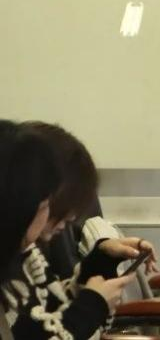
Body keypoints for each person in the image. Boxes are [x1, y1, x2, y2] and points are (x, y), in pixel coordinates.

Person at [1, 122, 137, 340]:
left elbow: (46, 318)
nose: (72, 218)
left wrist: (96, 266)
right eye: (45, 203)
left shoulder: (24, 254)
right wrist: (91, 307)